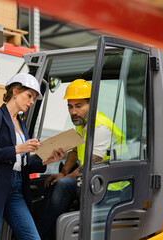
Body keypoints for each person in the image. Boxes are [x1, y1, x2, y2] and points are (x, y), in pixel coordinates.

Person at [39, 79, 129, 240]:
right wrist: (63, 172)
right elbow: (75, 150)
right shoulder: (82, 123)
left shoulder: (101, 127)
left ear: (91, 104)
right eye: (70, 106)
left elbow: (89, 164)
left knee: (63, 185)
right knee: (51, 183)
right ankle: (46, 231)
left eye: (78, 106)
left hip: (113, 185)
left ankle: (43, 235)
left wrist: (65, 178)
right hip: (93, 179)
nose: (73, 111)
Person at [0, 73, 65, 240]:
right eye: (29, 96)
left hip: (16, 187)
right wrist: (17, 149)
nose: (32, 102)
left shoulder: (22, 125)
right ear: (15, 91)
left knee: (32, 237)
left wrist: (47, 160)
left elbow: (21, 164)